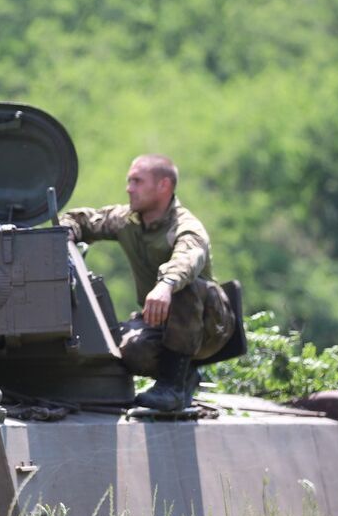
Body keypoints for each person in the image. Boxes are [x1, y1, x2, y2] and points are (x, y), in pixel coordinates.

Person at [62, 154, 233, 411]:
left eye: (137, 181)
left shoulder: (186, 227)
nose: (129, 188)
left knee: (185, 286)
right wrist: (66, 232)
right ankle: (183, 376)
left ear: (163, 186)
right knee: (127, 349)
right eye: (129, 181)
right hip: (160, 322)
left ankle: (172, 388)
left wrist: (166, 285)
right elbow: (83, 220)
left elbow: (188, 260)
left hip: (207, 327)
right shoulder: (128, 220)